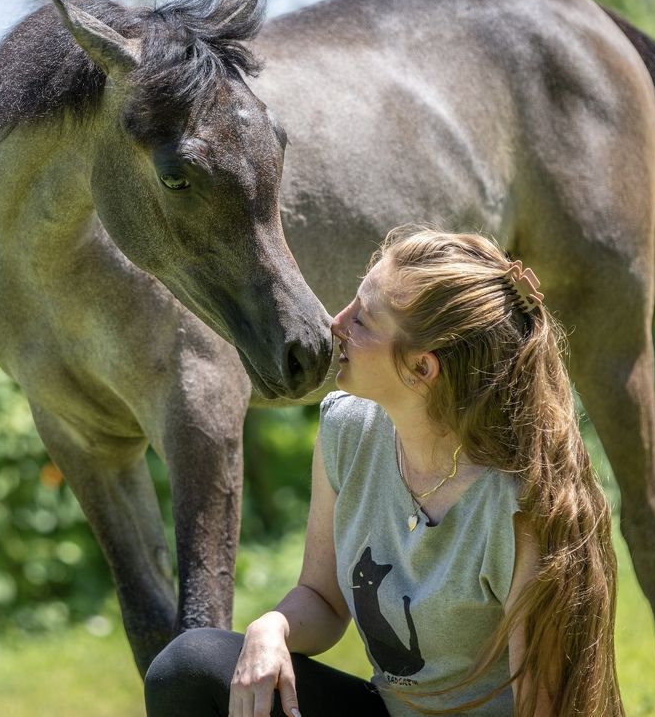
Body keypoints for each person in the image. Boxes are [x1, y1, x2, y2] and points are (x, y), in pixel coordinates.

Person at [144, 227, 625, 717]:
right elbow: (323, 599)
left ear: (422, 369)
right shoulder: (347, 429)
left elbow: (543, 707)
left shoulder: (520, 506)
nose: (336, 323)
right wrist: (273, 627)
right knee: (189, 667)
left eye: (363, 320)